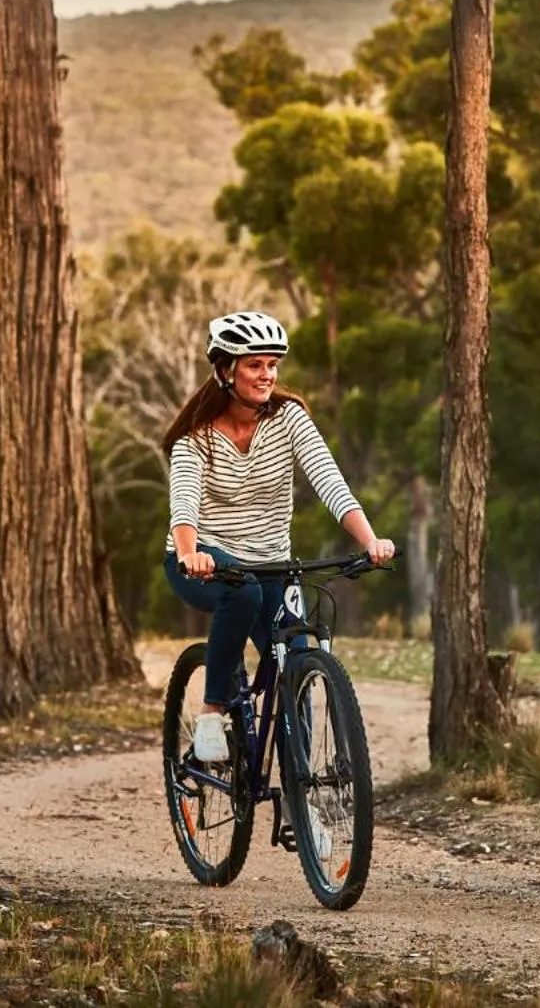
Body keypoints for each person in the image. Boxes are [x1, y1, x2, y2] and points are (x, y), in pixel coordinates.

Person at [162, 311, 394, 764]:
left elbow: (329, 480)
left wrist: (370, 540)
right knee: (242, 593)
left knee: (296, 661)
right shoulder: (195, 439)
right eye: (254, 364)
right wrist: (191, 553)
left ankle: (298, 801)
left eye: (272, 364)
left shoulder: (289, 419)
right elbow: (184, 505)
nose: (266, 374)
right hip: (205, 563)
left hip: (273, 564)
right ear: (225, 370)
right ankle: (212, 714)